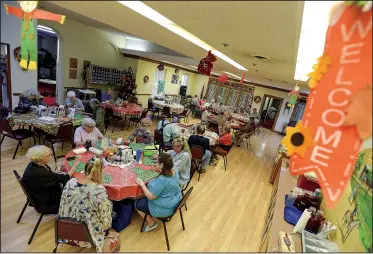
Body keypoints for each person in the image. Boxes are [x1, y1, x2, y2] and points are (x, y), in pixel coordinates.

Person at [59, 158, 114, 252]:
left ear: (85, 170)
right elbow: (106, 220)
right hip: (88, 233)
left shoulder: (70, 182)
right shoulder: (99, 190)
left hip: (66, 228)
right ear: (100, 172)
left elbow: (62, 206)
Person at [22, 145, 81, 214]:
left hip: (40, 193)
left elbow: (50, 177)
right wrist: (75, 163)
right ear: (41, 158)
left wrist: (59, 173)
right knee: (76, 187)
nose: (51, 157)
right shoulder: (41, 172)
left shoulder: (34, 164)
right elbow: (65, 178)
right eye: (49, 155)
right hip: (47, 202)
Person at [134, 153, 182, 232]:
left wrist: (142, 184)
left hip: (165, 209)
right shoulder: (174, 169)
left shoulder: (161, 180)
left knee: (137, 203)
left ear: (162, 165)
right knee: (145, 195)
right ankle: (151, 218)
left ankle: (151, 223)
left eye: (157, 163)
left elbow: (150, 196)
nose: (156, 164)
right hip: (175, 201)